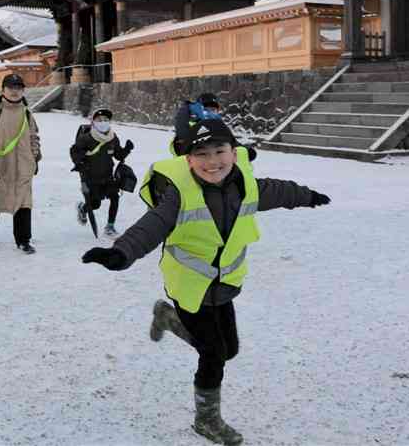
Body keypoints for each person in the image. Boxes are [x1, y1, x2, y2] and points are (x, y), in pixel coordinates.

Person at [82, 118, 331, 446]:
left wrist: (307, 196)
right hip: (189, 286)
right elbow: (152, 225)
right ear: (188, 159)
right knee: (213, 354)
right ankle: (206, 420)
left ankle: (167, 319)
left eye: (220, 150)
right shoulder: (178, 194)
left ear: (233, 151)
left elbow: (277, 190)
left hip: (223, 284)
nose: (213, 161)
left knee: (230, 350)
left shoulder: (245, 184)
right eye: (202, 154)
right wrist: (121, 253)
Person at [0, 73, 41, 254]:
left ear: (23, 91)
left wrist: (34, 158)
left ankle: (23, 240)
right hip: (0, 166)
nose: (14, 91)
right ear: (3, 90)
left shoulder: (27, 113)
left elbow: (33, 137)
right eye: (11, 88)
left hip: (23, 166)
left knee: (23, 203)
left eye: (18, 88)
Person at [69, 107, 134, 236]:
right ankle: (83, 208)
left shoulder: (113, 138)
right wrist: (79, 163)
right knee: (95, 204)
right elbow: (74, 151)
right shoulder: (86, 138)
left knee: (115, 197)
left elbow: (118, 155)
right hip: (91, 176)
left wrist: (127, 149)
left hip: (108, 175)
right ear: (93, 122)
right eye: (99, 119)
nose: (103, 122)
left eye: (105, 119)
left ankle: (110, 226)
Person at [171, 93, 256, 161]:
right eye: (208, 108)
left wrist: (244, 149)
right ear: (199, 108)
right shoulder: (190, 122)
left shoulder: (217, 124)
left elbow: (229, 140)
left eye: (214, 109)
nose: (211, 112)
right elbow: (182, 137)